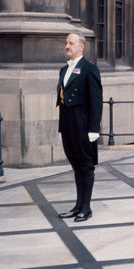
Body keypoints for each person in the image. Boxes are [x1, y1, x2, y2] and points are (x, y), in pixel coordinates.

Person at [56, 33, 103, 222]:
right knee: (76, 166)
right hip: (68, 125)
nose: (67, 46)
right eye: (67, 43)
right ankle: (77, 206)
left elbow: (96, 101)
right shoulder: (63, 70)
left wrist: (94, 128)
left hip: (83, 125)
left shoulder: (89, 69)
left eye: (71, 43)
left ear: (81, 47)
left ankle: (86, 208)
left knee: (86, 165)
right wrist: (62, 128)